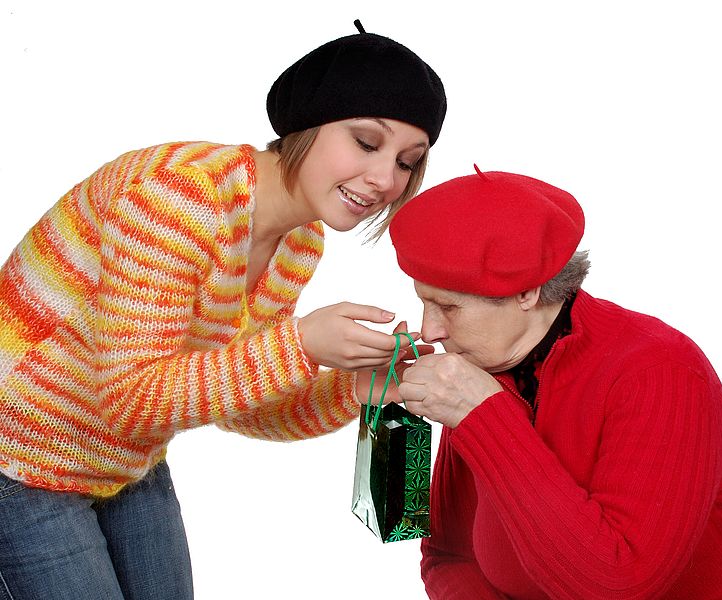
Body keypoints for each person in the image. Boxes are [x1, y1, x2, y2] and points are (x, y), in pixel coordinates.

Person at [0, 21, 445, 600]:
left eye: (409, 162)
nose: (386, 179)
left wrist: (355, 388)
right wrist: (301, 345)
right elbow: (131, 401)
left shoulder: (299, 239)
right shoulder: (179, 199)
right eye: (366, 142)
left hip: (124, 460)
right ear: (304, 124)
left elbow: (241, 405)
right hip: (17, 457)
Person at [390, 168, 722, 599]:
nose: (428, 330)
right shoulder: (482, 365)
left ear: (526, 292)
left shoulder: (660, 370)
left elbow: (617, 585)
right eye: (423, 302)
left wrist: (485, 416)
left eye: (447, 308)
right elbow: (448, 555)